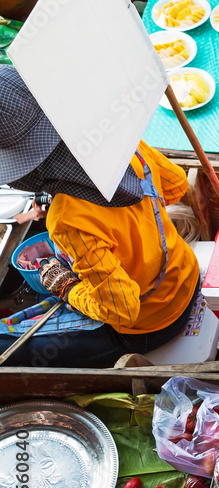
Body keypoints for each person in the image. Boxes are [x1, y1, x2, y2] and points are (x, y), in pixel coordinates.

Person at [0, 65, 200, 367]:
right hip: (186, 273)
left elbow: (122, 311)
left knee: (10, 348)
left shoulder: (67, 221)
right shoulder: (114, 141)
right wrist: (133, 229)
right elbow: (174, 185)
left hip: (154, 323)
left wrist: (68, 287)